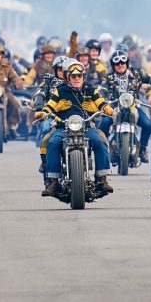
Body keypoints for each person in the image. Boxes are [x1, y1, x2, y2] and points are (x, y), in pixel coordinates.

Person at [35, 59, 115, 198]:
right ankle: (53, 182)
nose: (77, 78)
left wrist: (106, 108)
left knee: (101, 140)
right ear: (68, 77)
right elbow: (50, 106)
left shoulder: (91, 89)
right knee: (51, 142)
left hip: (86, 126)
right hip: (63, 127)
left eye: (80, 76)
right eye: (74, 76)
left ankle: (102, 179)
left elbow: (101, 102)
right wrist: (43, 112)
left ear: (83, 76)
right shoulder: (59, 91)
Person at [100, 50, 151, 162]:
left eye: (123, 63)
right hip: (114, 107)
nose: (120, 65)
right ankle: (103, 150)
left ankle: (142, 149)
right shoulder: (108, 77)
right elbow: (103, 89)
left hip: (133, 107)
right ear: (113, 65)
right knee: (103, 123)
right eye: (117, 63)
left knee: (148, 124)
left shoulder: (137, 73)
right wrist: (103, 98)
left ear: (127, 63)